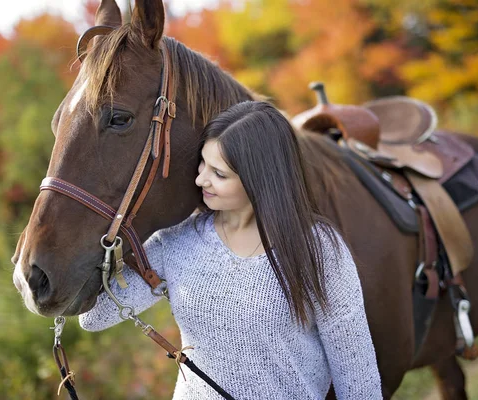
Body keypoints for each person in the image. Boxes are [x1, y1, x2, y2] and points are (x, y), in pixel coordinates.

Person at [79, 101, 382, 399]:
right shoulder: (177, 240)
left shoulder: (317, 250)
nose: (200, 179)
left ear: (259, 180)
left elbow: (356, 375)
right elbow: (93, 317)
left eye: (219, 174)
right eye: (202, 163)